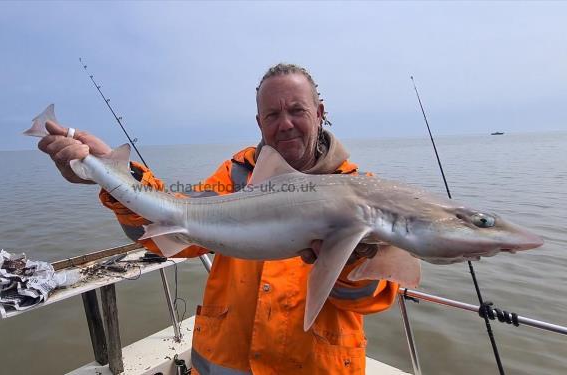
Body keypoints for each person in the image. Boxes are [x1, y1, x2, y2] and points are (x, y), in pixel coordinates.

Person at [38, 63, 398, 374]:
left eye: (297, 110)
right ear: (259, 122)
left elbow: (373, 297)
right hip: (227, 364)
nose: (285, 124)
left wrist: (349, 257)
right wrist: (115, 177)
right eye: (272, 115)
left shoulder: (359, 191)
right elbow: (173, 229)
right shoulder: (238, 175)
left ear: (320, 112)